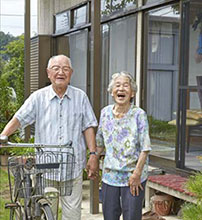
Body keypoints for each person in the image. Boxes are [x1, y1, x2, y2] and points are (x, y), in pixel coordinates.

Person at [0, 54, 99, 220]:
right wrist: (3, 135)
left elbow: (88, 126)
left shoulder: (80, 97)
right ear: (48, 73)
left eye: (65, 69)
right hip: (45, 168)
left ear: (71, 73)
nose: (61, 72)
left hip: (72, 166)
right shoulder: (38, 97)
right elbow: (19, 118)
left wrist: (93, 154)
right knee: (47, 214)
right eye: (56, 68)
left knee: (73, 216)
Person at [96, 71, 151, 220]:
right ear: (112, 92)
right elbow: (100, 143)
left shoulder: (139, 114)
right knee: (109, 216)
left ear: (132, 93)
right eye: (117, 85)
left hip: (133, 176)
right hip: (110, 176)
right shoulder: (105, 113)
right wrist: (93, 159)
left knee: (132, 216)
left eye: (126, 85)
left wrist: (137, 174)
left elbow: (145, 148)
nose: (121, 89)